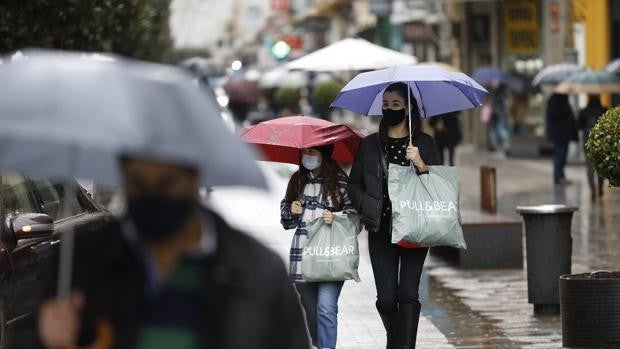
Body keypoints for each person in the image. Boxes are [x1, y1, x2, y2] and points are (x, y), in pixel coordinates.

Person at [35, 156, 310, 349]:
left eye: (166, 183)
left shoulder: (257, 270)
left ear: (194, 178)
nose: (152, 195)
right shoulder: (82, 263)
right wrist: (43, 338)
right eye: (138, 183)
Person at [347, 82, 440, 349]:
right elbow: (354, 185)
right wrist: (366, 205)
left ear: (408, 108)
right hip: (381, 231)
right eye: (385, 105)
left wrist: (420, 162)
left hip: (415, 228)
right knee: (387, 299)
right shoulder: (370, 145)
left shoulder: (424, 143)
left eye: (396, 105)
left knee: (408, 294)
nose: (389, 110)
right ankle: (396, 339)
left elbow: (439, 185)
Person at [280, 144, 356, 349]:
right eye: (304, 151)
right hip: (302, 256)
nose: (308, 156)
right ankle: (319, 344)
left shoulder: (340, 181)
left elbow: (354, 217)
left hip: (330, 257)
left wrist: (336, 218)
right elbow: (286, 221)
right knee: (312, 311)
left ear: (324, 154)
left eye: (313, 151)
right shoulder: (297, 180)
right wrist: (292, 210)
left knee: (326, 308)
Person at [578, 95, 607, 200]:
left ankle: (592, 189)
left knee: (589, 165)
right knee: (601, 165)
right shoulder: (604, 110)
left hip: (587, 140)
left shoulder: (584, 111)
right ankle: (600, 188)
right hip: (601, 140)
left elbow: (579, 126)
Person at [546, 93, 578, 186]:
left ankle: (560, 176)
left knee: (562, 155)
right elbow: (556, 114)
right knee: (560, 155)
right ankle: (559, 177)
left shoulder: (561, 99)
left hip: (562, 134)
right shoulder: (557, 100)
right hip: (560, 134)